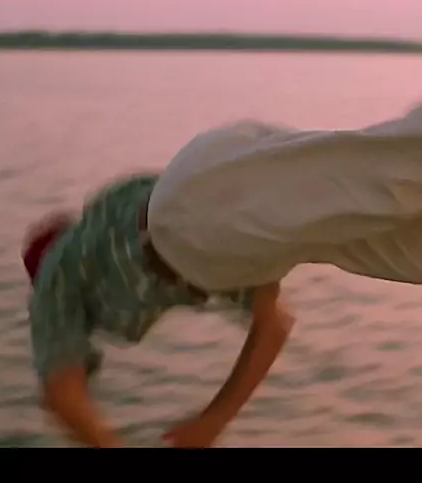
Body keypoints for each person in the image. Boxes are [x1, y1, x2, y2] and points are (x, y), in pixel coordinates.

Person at [23, 103, 422, 447]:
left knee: (391, 170)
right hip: (217, 232)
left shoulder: (58, 269)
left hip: (183, 211)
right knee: (401, 245)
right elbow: (273, 325)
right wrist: (213, 420)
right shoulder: (205, 260)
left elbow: (62, 395)